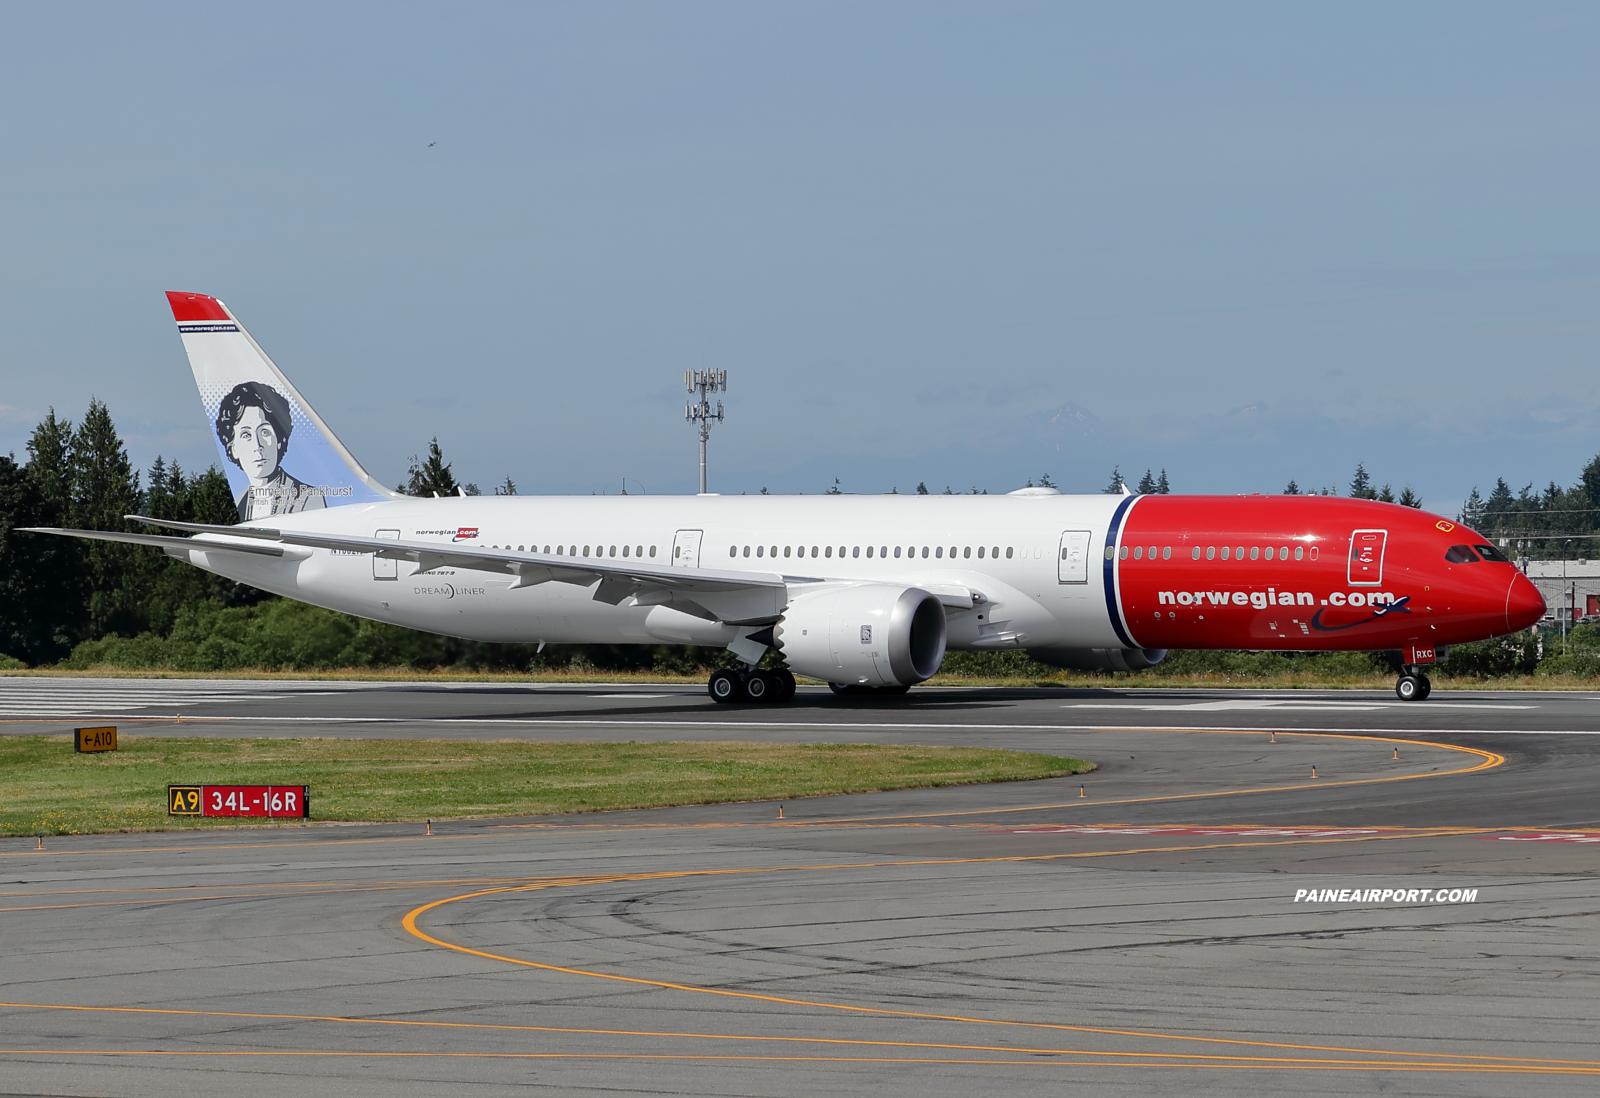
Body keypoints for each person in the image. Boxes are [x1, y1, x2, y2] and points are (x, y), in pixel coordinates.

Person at [214, 381, 326, 521]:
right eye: (246, 435)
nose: (257, 445)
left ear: (279, 440)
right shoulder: (241, 502)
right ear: (233, 448)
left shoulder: (308, 498)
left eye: (265, 432)